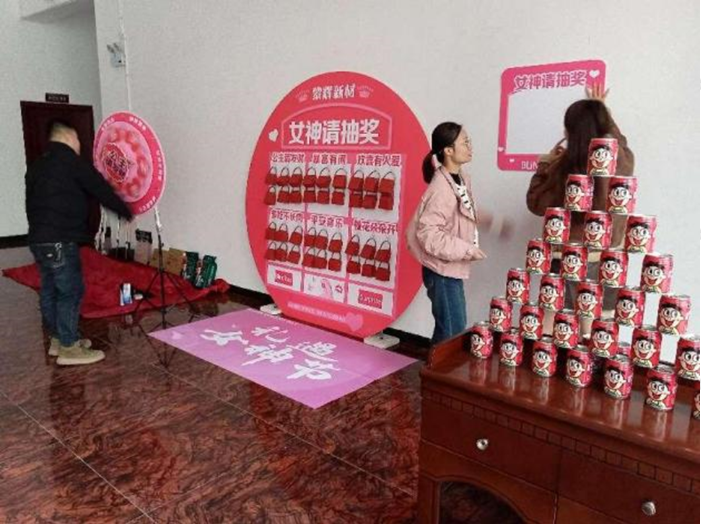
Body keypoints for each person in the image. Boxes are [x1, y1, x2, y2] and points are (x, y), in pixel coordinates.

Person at [25, 119, 133, 366]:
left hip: (39, 239)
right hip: (61, 240)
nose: (79, 144)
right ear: (68, 137)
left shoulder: (37, 166)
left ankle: (58, 339)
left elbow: (30, 202)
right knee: (70, 292)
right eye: (77, 139)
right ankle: (70, 348)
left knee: (50, 290)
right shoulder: (71, 162)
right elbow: (100, 189)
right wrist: (125, 211)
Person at [526, 85, 635, 313]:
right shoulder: (622, 160)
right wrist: (601, 110)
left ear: (571, 132)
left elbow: (536, 204)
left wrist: (544, 164)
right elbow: (620, 141)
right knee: (601, 325)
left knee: (565, 324)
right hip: (609, 259)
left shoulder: (564, 167)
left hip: (570, 257)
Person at [407, 122, 487, 345]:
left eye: (469, 141)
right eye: (465, 142)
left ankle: (436, 366)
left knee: (450, 329)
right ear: (448, 151)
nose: (470, 146)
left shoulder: (460, 179)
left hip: (449, 267)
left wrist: (493, 223)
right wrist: (468, 250)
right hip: (441, 270)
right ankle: (435, 368)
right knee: (451, 332)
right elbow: (429, 233)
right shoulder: (441, 188)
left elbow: (459, 215)